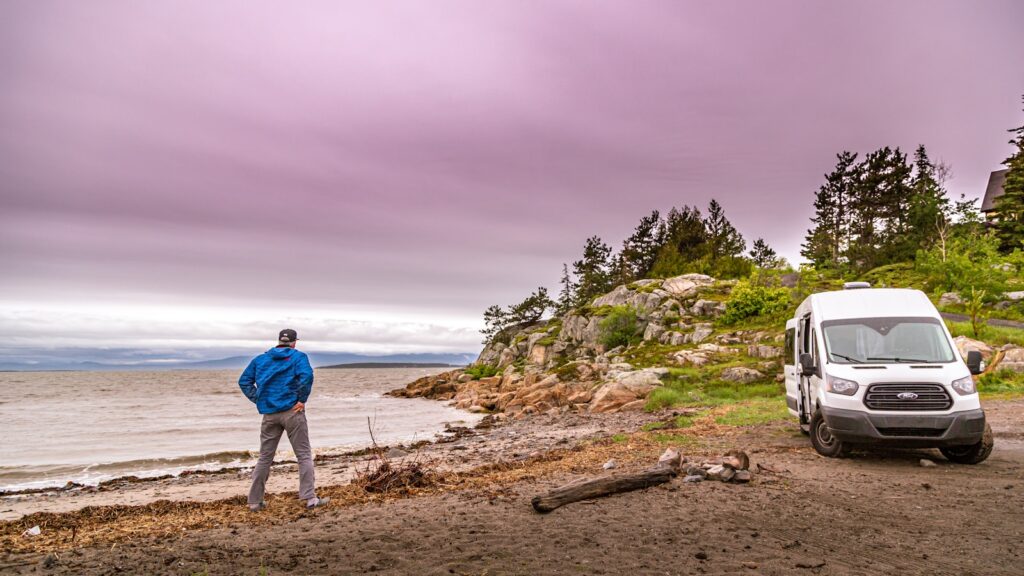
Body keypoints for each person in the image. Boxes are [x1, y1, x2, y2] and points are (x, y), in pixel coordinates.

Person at [238, 328, 329, 511]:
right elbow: (307, 376)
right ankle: (310, 498)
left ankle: (255, 502)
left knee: (265, 457)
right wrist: (302, 400)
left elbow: (244, 381)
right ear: (294, 342)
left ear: (279, 340)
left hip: (269, 414)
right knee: (303, 455)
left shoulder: (260, 359)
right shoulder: (298, 357)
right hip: (292, 411)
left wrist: (259, 399)